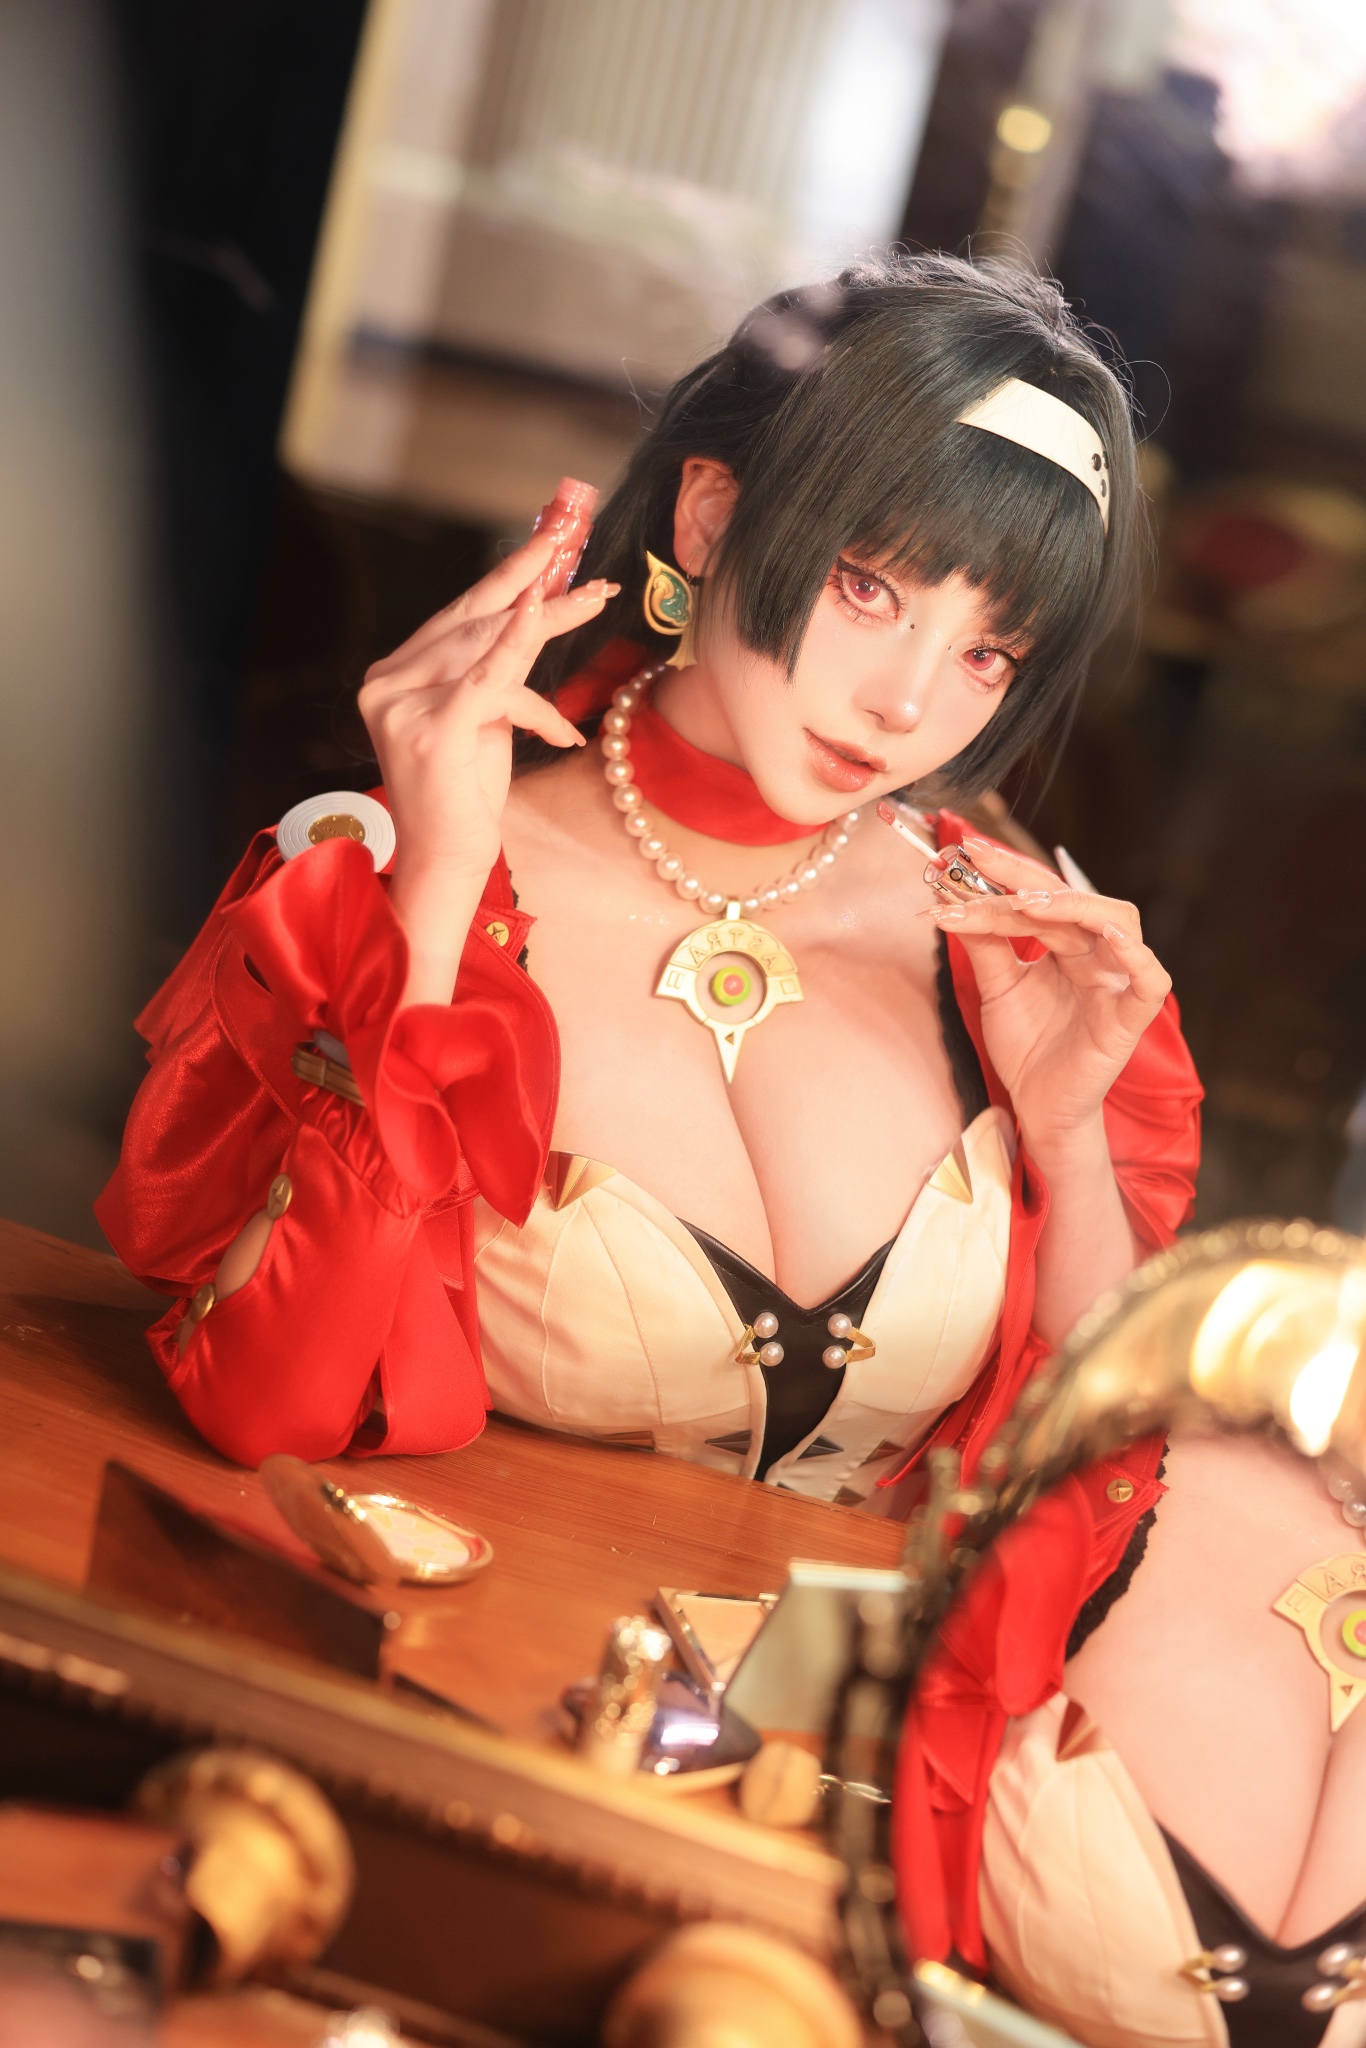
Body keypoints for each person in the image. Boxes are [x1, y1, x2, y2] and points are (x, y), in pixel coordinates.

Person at [96, 253, 1201, 1508]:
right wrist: (434, 901)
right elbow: (261, 1407)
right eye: (865, 586)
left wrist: (1063, 1133)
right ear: (711, 519)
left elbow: (1096, 1472)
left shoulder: (1004, 949)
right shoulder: (406, 883)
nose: (904, 703)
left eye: (987, 652)